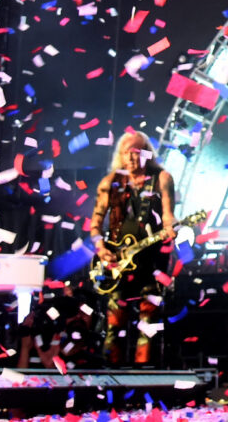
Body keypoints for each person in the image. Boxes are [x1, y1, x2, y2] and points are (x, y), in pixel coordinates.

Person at [89, 130, 176, 366]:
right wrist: (101, 249)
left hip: (152, 259)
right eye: (126, 153)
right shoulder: (110, 182)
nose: (131, 158)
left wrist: (171, 227)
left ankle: (144, 372)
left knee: (149, 321)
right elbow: (95, 224)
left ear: (147, 154)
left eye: (136, 152)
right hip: (118, 262)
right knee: (115, 322)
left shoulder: (162, 178)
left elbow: (168, 215)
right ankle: (111, 372)